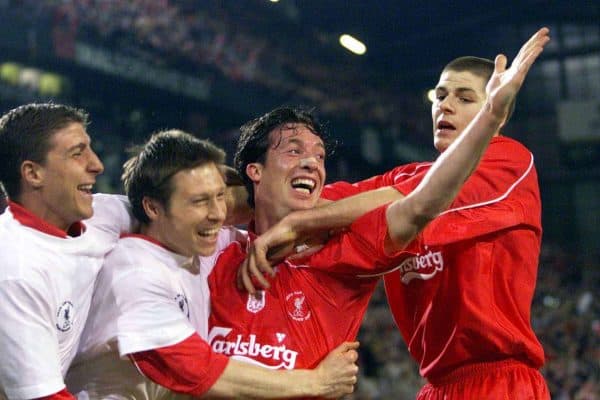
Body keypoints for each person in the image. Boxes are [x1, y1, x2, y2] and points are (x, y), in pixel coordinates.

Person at [207, 27, 550, 398]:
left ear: (494, 112)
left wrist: (296, 223)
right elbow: (319, 201)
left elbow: (419, 198)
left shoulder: (507, 160)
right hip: (438, 386)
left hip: (500, 381)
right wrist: (229, 198)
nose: (445, 105)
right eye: (440, 95)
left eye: (465, 98)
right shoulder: (404, 176)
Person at [65, 129, 360, 399]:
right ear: (153, 208)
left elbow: (258, 202)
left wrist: (293, 216)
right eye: (199, 202)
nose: (218, 214)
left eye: (220, 198)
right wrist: (315, 382)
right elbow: (199, 371)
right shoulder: (135, 271)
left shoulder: (191, 249)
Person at [0, 103, 133, 400]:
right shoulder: (15, 268)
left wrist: (260, 235)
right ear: (33, 174)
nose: (97, 164)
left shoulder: (101, 215)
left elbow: (181, 209)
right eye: (78, 153)